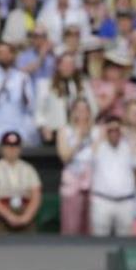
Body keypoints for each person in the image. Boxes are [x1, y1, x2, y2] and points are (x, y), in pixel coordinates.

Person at [0, 131, 42, 234]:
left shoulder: (28, 169)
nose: (12, 150)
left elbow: (36, 195)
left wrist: (26, 217)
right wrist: (8, 216)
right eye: (8, 146)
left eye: (15, 146)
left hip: (24, 211)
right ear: (2, 148)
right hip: (2, 213)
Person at [0, 43, 36, 145]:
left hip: (19, 131)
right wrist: (0, 88)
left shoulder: (23, 77)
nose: (4, 55)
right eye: (1, 53)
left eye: (7, 52)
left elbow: (31, 107)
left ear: (12, 55)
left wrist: (23, 94)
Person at [90, 115, 136, 236]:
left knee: (126, 242)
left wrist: (125, 133)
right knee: (99, 241)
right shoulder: (99, 146)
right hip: (102, 201)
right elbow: (89, 156)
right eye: (110, 130)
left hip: (126, 202)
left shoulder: (128, 146)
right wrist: (102, 135)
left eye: (117, 130)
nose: (114, 133)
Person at [56, 98, 94, 236]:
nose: (82, 113)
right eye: (78, 109)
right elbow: (65, 156)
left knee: (90, 228)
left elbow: (98, 156)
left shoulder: (97, 131)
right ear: (72, 112)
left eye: (85, 109)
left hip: (93, 183)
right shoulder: (64, 131)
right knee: (71, 226)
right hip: (72, 183)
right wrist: (79, 138)